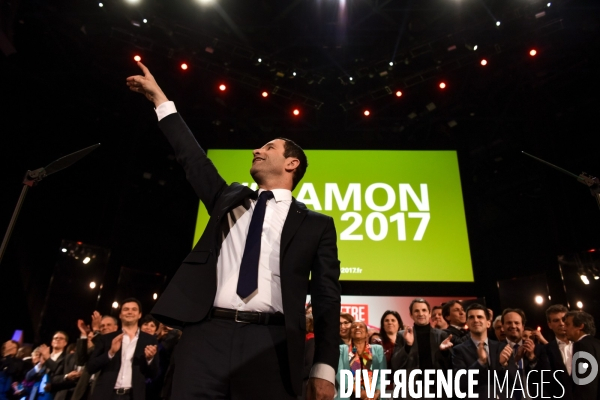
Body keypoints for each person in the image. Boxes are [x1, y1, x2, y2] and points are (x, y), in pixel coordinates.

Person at [127, 62, 342, 400]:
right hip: (205, 338)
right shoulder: (228, 199)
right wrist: (159, 100)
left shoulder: (317, 224)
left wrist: (325, 368)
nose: (258, 150)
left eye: (269, 148)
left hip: (270, 347)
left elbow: (327, 298)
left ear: (292, 163)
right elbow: (192, 159)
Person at [86, 298, 159, 400]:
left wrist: (150, 359)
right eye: (126, 309)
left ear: (139, 315)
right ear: (120, 315)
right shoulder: (107, 338)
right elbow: (90, 367)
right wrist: (110, 353)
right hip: (106, 395)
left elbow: (155, 373)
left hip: (133, 396)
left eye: (134, 309)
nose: (130, 312)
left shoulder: (149, 340)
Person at [451, 303, 516, 399]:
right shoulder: (459, 350)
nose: (476, 320)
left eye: (480, 317)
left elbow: (516, 381)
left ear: (488, 323)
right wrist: (480, 363)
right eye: (471, 317)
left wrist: (504, 365)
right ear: (467, 323)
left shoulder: (502, 347)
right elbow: (460, 384)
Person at [390, 298, 452, 397]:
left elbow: (450, 367)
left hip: (437, 390)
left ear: (429, 313)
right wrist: (408, 346)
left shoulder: (442, 335)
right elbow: (395, 364)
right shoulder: (403, 335)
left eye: (424, 310)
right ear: (411, 315)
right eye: (416, 311)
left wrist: (444, 352)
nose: (420, 314)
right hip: (410, 391)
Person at [501, 308, 550, 398]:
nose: (513, 326)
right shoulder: (495, 349)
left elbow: (547, 377)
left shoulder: (538, 349)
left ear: (523, 327)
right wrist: (515, 360)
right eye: (509, 323)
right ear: (503, 327)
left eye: (517, 323)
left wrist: (532, 357)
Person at [335, 321, 386, 400]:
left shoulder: (377, 349)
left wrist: (376, 394)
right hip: (350, 395)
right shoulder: (341, 349)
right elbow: (340, 374)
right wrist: (361, 393)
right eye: (354, 327)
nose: (357, 328)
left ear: (366, 334)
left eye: (361, 326)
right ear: (350, 333)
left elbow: (382, 375)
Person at [565, 310, 600, 400]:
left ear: (580, 326)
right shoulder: (597, 344)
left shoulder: (580, 345)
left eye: (568, 324)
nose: (564, 328)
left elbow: (584, 382)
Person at [544, 304, 573, 400]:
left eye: (564, 319)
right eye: (556, 320)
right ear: (549, 325)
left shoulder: (584, 344)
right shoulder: (545, 350)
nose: (561, 323)